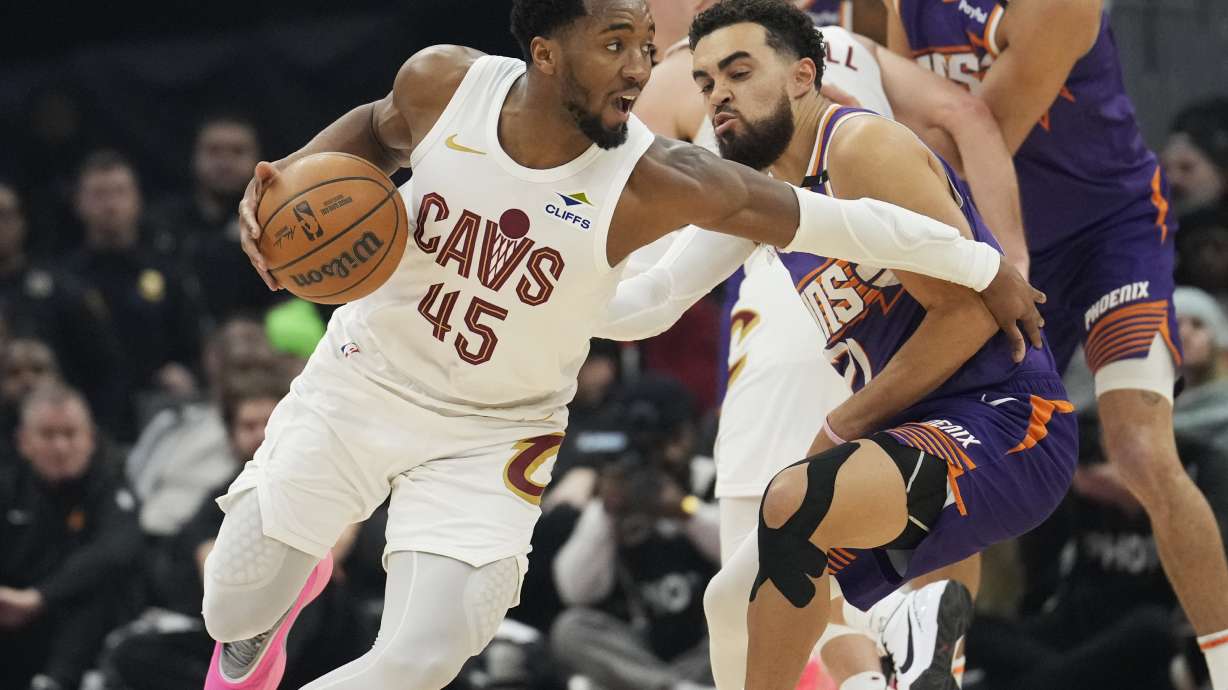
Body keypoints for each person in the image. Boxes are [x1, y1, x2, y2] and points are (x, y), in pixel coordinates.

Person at [202, 0, 1047, 687]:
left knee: (424, 655)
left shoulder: (674, 177)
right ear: (544, 52)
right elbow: (376, 129)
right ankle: (281, 590)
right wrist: (282, 184)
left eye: (648, 45)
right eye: (619, 45)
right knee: (229, 607)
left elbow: (841, 220)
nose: (646, 70)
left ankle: (888, 653)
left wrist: (985, 264)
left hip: (493, 431)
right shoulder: (443, 85)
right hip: (367, 377)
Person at [615, 2, 1072, 688]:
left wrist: (841, 423)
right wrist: (552, 296)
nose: (720, 95)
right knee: (728, 602)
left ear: (803, 76)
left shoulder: (861, 148)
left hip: (1008, 423)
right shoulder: (763, 191)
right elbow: (655, 300)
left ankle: (904, 621)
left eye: (740, 71)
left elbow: (971, 318)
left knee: (792, 503)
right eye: (707, 82)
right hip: (911, 431)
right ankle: (894, 631)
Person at [886, 0, 1228, 685]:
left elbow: (970, 140)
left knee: (1138, 448)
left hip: (1109, 234)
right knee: (955, 462)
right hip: (1002, 240)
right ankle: (938, 673)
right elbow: (899, 115)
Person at [0, 383, 143, 690]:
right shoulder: (10, 483)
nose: (61, 447)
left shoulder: (109, 475)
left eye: (70, 434)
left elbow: (118, 548)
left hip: (81, 622)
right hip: (15, 617)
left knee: (99, 585)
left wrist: (41, 596)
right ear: (24, 442)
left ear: (90, 438)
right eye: (48, 435)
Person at [64, 150, 204, 435]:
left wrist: (186, 373)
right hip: (85, 413)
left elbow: (195, 343)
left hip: (159, 412)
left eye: (119, 192)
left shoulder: (168, 271)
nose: (110, 204)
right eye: (99, 194)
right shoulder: (64, 278)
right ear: (79, 203)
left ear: (137, 199)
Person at [0, 180, 127, 438]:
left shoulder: (62, 292)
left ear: (22, 222)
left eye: (4, 216)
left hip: (63, 430)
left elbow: (104, 371)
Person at [146, 112, 282, 325]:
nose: (225, 162)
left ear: (258, 158)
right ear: (194, 156)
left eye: (238, 151)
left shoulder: (278, 218)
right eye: (214, 151)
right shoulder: (162, 224)